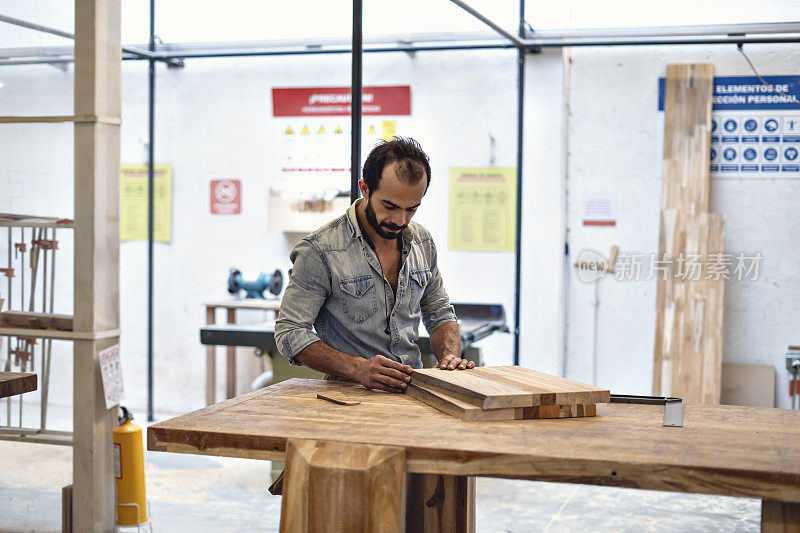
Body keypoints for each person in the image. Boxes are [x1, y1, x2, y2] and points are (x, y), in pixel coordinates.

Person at [274, 137, 474, 393]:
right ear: (365, 188)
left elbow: (439, 313)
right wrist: (356, 368)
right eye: (390, 206)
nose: (400, 220)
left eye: (412, 209)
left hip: (412, 393)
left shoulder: (422, 241)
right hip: (349, 399)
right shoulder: (320, 250)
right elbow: (290, 331)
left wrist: (449, 357)